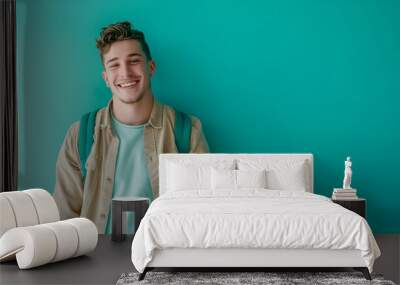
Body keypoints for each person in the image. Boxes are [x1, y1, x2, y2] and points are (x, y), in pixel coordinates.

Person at [53, 21, 209, 234]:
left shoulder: (187, 130)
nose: (125, 73)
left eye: (134, 61)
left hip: (164, 259)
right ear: (106, 78)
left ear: (150, 68)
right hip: (94, 259)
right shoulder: (80, 134)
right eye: (114, 65)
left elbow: (201, 214)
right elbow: (64, 221)